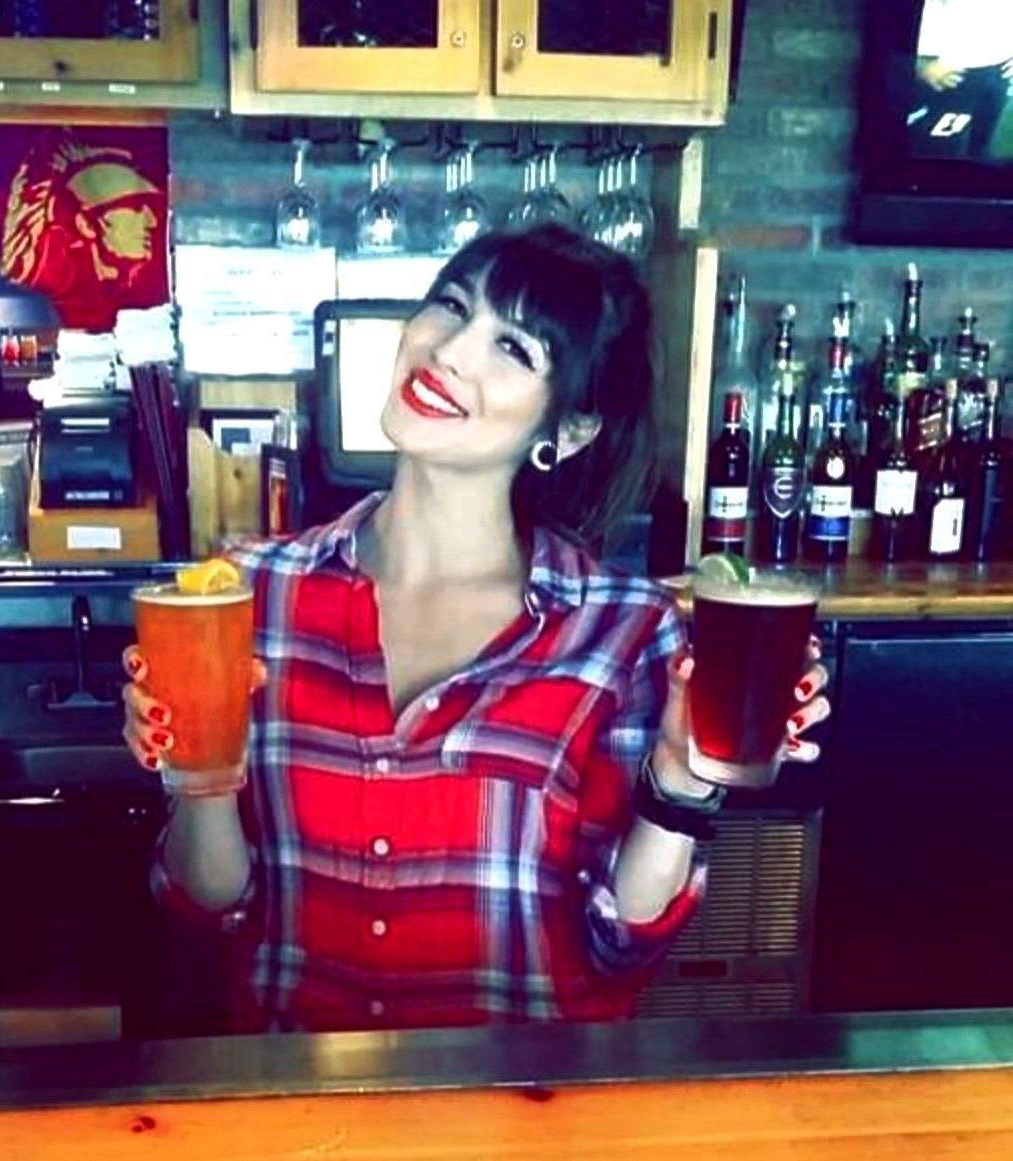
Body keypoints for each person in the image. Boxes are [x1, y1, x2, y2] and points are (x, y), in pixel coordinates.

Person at [123, 224, 830, 1034]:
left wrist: (678, 783)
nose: (451, 350)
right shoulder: (248, 594)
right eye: (451, 306)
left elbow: (619, 948)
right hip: (296, 1107)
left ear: (567, 432)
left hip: (523, 1111)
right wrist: (200, 775)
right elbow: (210, 917)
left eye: (514, 349)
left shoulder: (623, 632)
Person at [0, 130, 165, 331]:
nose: (152, 221)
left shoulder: (144, 288)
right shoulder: (45, 277)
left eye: (151, 208)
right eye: (135, 208)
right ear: (85, 225)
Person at [909, 0, 1013, 159]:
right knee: (936, 149)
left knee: (981, 149)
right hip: (945, 70)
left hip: (1001, 72)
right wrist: (917, 63)